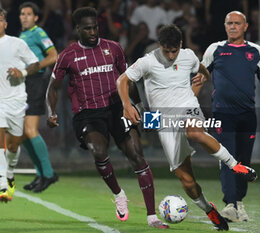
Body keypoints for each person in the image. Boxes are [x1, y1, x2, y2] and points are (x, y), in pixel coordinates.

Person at [117, 24, 257, 231]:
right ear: (160, 46)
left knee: (195, 132)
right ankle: (209, 209)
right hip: (162, 119)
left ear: (180, 45)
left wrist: (204, 76)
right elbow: (123, 79)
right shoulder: (147, 61)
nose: (172, 55)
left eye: (175, 50)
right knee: (187, 181)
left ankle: (236, 165)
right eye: (167, 51)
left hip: (187, 106)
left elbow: (202, 70)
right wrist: (127, 106)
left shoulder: (188, 56)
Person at [46, 7, 168, 229]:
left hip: (116, 109)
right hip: (88, 114)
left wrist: (138, 108)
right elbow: (53, 88)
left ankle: (152, 217)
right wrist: (51, 112)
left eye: (95, 27)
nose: (93, 32)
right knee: (99, 151)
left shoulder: (113, 48)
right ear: (77, 29)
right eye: (88, 28)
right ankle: (119, 194)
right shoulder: (68, 55)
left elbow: (128, 80)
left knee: (137, 156)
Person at [201, 11, 260, 222]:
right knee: (226, 157)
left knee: (244, 160)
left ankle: (239, 201)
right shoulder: (214, 49)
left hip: (247, 116)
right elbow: (199, 79)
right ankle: (230, 204)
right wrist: (187, 108)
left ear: (245, 27)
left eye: (237, 23)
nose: (233, 26)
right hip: (222, 114)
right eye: (229, 23)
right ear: (225, 26)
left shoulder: (255, 51)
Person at [18, 2, 59, 193]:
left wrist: (35, 66)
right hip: (24, 83)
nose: (24, 17)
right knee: (23, 132)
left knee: (30, 129)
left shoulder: (38, 32)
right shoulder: (23, 35)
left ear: (35, 17)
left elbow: (54, 56)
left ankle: (49, 173)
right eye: (22, 14)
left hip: (35, 81)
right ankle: (41, 173)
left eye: (28, 14)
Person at [0, 7, 39, 202]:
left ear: (5, 24)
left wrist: (22, 73)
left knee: (13, 145)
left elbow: (35, 64)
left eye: (0, 20)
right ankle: (1, 184)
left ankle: (10, 173)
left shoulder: (17, 43)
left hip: (15, 100)